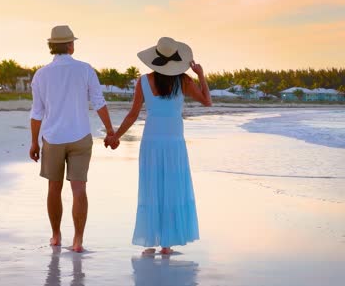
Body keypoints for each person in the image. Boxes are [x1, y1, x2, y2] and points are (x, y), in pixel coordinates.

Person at [112, 37, 211, 255]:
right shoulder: (184, 81)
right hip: (174, 143)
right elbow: (207, 101)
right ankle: (166, 245)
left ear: (156, 60)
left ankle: (150, 241)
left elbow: (133, 114)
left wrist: (115, 136)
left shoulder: (143, 81)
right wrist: (201, 75)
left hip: (151, 143)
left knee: (151, 189)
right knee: (172, 190)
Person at [29, 25, 119, 253]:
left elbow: (37, 112)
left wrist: (34, 142)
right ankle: (78, 241)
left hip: (53, 138)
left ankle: (56, 235)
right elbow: (99, 102)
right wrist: (110, 131)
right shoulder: (85, 69)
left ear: (52, 46)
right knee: (79, 189)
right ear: (70, 45)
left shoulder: (41, 74)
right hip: (80, 136)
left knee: (53, 188)